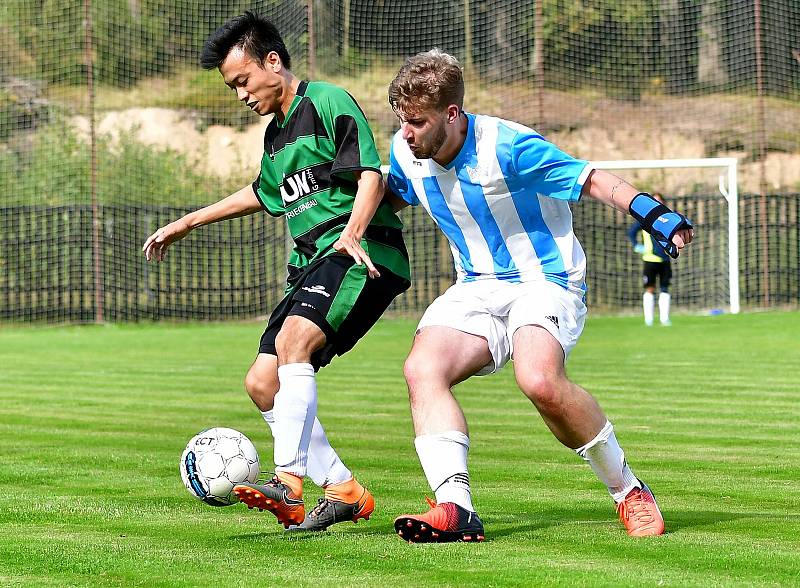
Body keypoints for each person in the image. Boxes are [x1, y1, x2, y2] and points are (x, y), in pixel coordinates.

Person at [384, 49, 693, 542]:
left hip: (545, 280)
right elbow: (395, 193)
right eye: (402, 121)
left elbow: (589, 179)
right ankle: (455, 508)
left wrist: (653, 213)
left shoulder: (508, 146)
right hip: (477, 286)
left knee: (539, 381)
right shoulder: (406, 150)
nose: (406, 133)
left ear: (451, 114)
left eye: (417, 122)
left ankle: (628, 489)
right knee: (422, 369)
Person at [142, 12, 411, 532]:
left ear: (272, 62)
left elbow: (371, 174)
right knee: (262, 382)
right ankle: (344, 489)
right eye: (232, 87)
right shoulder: (274, 139)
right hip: (311, 264)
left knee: (292, 345)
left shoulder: (326, 101)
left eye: (242, 81)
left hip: (360, 253)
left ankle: (288, 481)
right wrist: (188, 221)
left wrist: (353, 232)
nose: (241, 95)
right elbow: (261, 193)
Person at [627, 192, 673, 326]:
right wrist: (637, 246)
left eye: (660, 200)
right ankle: (649, 320)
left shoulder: (669, 219)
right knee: (650, 288)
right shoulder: (645, 219)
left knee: (665, 288)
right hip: (650, 259)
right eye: (655, 200)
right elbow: (631, 233)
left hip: (665, 259)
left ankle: (665, 319)